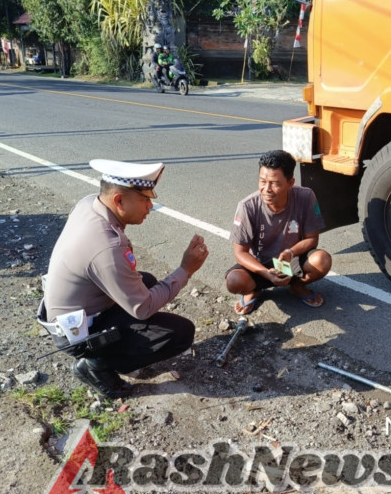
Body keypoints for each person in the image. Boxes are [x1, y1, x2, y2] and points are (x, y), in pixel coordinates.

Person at [40, 159, 209, 399]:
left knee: (147, 281)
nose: (150, 206)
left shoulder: (89, 204)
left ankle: (110, 353)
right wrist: (186, 269)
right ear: (119, 201)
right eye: (145, 199)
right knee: (181, 333)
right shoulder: (106, 246)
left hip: (74, 314)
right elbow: (143, 308)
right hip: (78, 334)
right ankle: (97, 364)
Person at [226, 150, 332, 315]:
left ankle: (297, 286)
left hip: (290, 263)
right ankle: (254, 290)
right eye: (262, 181)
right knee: (234, 281)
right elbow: (240, 253)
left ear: (290, 183)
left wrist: (291, 252)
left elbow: (312, 239)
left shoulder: (306, 196)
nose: (266, 189)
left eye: (275, 183)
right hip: (259, 266)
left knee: (322, 260)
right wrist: (266, 273)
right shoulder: (247, 206)